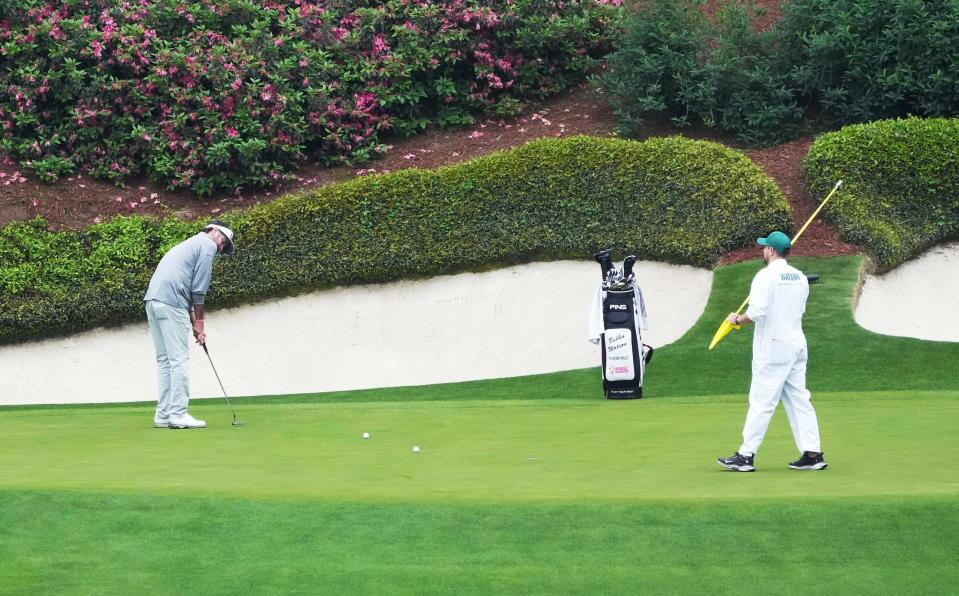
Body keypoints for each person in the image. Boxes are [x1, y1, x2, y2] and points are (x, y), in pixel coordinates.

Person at [717, 231, 827, 472]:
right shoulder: (799, 276)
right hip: (797, 343)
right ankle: (813, 453)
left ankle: (746, 456)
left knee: (761, 400)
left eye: (765, 247)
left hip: (774, 346)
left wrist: (737, 319)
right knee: (799, 398)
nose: (763, 250)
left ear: (772, 251)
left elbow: (757, 312)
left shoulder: (764, 276)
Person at [144, 220, 235, 429]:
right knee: (179, 360)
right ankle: (178, 413)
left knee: (166, 361)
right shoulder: (207, 245)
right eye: (223, 242)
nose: (221, 248)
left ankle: (164, 414)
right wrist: (201, 323)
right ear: (214, 231)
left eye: (224, 247)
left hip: (154, 301)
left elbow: (183, 287)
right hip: (171, 302)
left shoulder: (190, 244)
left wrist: (195, 323)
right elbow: (198, 290)